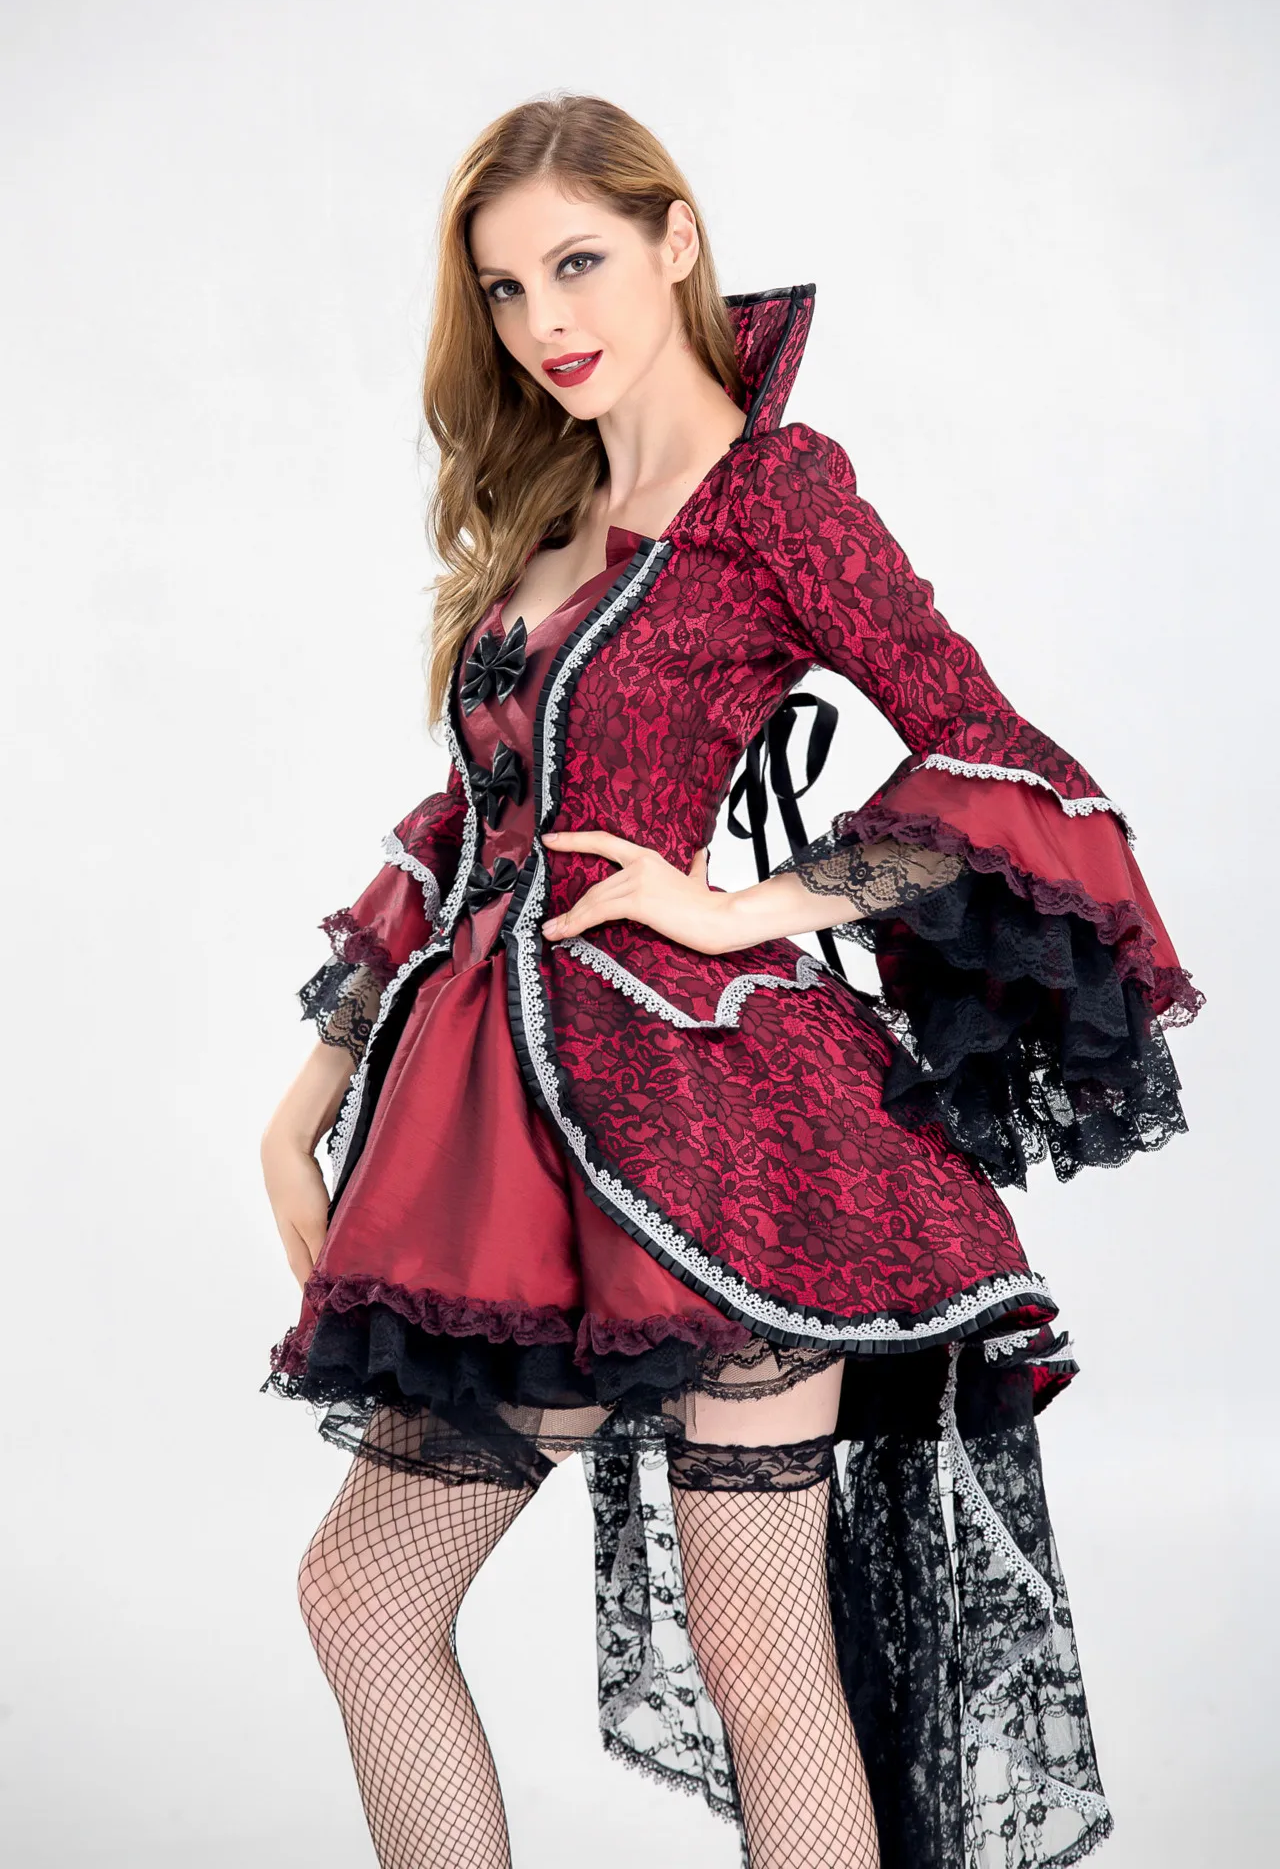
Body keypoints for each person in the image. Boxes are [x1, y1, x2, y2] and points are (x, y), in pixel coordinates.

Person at [260, 93, 1201, 1869]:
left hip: (718, 1132)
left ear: (675, 237)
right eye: (508, 289)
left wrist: (743, 908)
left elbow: (989, 747)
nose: (546, 321)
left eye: (579, 263)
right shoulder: (549, 507)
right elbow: (471, 817)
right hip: (503, 1135)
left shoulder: (777, 492)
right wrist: (311, 1091)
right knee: (367, 1599)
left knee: (761, 1646)